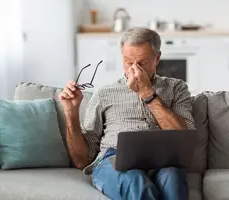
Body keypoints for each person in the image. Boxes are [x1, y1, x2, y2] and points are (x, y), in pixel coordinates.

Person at [59, 27, 195, 200]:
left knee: (173, 178)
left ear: (157, 59)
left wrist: (147, 93)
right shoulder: (104, 94)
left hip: (162, 161)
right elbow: (82, 160)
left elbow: (184, 139)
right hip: (113, 160)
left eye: (142, 63)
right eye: (128, 62)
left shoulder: (176, 88)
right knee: (135, 182)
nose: (134, 69)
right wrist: (71, 112)